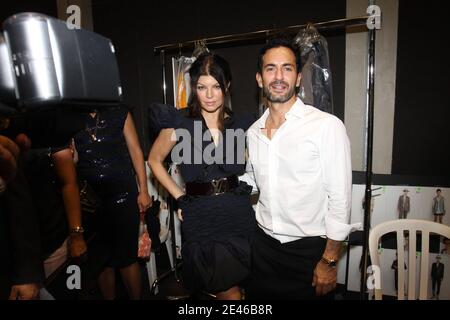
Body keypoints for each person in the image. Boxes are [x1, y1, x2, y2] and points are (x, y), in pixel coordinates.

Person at [243, 38, 354, 299]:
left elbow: (340, 199)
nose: (279, 76)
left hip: (309, 253)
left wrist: (329, 261)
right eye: (271, 68)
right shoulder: (252, 132)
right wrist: (206, 197)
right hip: (262, 249)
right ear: (260, 78)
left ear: (298, 77)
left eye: (287, 68)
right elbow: (249, 180)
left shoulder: (327, 126)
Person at [148, 52, 256, 300]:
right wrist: (179, 197)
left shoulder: (241, 123)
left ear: (227, 86)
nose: (209, 95)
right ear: (193, 88)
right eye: (202, 87)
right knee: (225, 289)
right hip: (201, 214)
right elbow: (154, 160)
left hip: (235, 212)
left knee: (234, 287)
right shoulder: (179, 122)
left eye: (216, 86)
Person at [73, 105, 152, 300]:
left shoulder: (119, 112)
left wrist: (143, 190)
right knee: (101, 258)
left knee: (127, 257)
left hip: (123, 194)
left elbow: (135, 150)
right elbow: (71, 159)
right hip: (90, 200)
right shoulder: (71, 117)